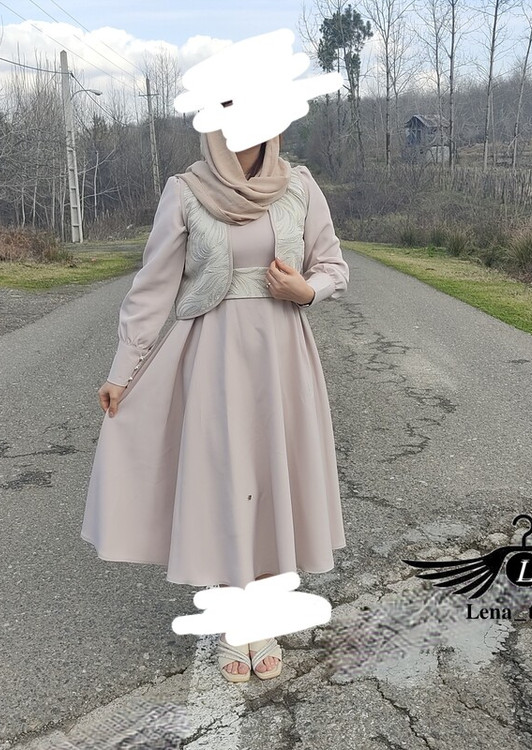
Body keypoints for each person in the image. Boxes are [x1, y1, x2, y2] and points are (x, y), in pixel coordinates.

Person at [80, 128, 349, 682]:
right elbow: (153, 288)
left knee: (272, 479)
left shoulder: (299, 186)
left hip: (282, 357)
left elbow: (332, 267)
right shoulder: (186, 191)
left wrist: (306, 291)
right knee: (224, 480)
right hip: (212, 357)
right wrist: (122, 370)